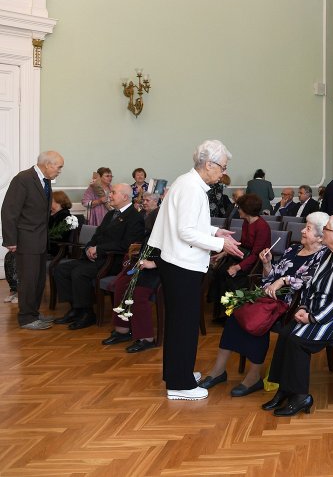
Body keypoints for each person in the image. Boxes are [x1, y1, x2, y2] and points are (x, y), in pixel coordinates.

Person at [148, 140, 244, 401]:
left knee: (182, 322)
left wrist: (214, 231)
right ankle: (180, 384)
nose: (223, 173)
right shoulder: (191, 188)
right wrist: (220, 243)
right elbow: (186, 231)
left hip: (177, 262)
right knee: (184, 324)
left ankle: (180, 374)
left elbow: (188, 222)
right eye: (222, 167)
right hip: (182, 264)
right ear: (209, 164)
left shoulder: (187, 182)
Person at [200, 212, 330, 397]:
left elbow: (311, 283)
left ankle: (253, 377)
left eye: (307, 228)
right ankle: (218, 370)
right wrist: (267, 264)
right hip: (268, 297)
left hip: (292, 304)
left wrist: (284, 281)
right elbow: (270, 277)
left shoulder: (323, 257)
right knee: (236, 313)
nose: (301, 230)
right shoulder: (293, 249)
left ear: (320, 236)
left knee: (258, 320)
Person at [260, 214, 333, 416]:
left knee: (297, 340)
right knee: (285, 334)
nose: (323, 232)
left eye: (326, 229)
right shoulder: (328, 253)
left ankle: (301, 397)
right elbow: (310, 285)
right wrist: (303, 308)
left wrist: (312, 318)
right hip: (316, 310)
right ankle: (284, 390)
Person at [53, 184, 145, 330]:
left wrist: (99, 249)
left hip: (114, 260)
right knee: (61, 269)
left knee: (79, 273)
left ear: (125, 197)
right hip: (98, 257)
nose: (109, 195)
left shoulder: (135, 217)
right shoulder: (110, 214)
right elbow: (97, 235)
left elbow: (127, 245)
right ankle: (76, 309)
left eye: (113, 193)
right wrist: (90, 247)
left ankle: (87, 313)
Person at [1, 151, 64, 329]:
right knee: (28, 279)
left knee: (37, 279)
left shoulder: (45, 180)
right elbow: (9, 211)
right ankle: (26, 318)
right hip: (26, 239)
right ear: (47, 165)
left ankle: (33, 313)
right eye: (59, 167)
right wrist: (10, 240)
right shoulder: (23, 179)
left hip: (40, 238)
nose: (60, 170)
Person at [102, 192, 162, 353]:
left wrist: (154, 263)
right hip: (145, 262)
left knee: (138, 293)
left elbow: (176, 252)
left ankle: (146, 338)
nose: (145, 203)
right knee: (121, 284)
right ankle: (122, 330)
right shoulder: (150, 217)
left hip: (161, 268)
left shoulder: (167, 219)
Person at [207, 194, 271, 319]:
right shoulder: (246, 222)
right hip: (244, 256)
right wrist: (224, 253)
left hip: (255, 262)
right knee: (219, 271)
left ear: (247, 210)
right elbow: (242, 244)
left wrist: (237, 267)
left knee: (227, 274)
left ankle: (230, 313)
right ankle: (221, 311)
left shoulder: (262, 226)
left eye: (240, 208)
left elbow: (255, 254)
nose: (238, 210)